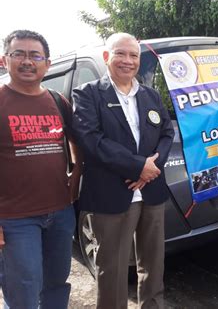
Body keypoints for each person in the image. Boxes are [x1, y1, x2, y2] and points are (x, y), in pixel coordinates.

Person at [72, 32, 174, 308]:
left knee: (153, 265)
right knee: (112, 270)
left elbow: (166, 132)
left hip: (151, 192)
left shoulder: (151, 95)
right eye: (121, 53)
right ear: (107, 57)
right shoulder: (88, 94)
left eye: (134, 55)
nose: (128, 61)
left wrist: (152, 167)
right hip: (111, 194)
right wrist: (138, 166)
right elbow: (91, 140)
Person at [0, 30, 82, 308]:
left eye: (35, 56)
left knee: (57, 283)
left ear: (47, 63)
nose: (27, 61)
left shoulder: (58, 101)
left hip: (60, 212)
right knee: (23, 288)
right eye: (18, 54)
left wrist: (76, 176)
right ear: (4, 60)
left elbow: (76, 141)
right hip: (15, 219)